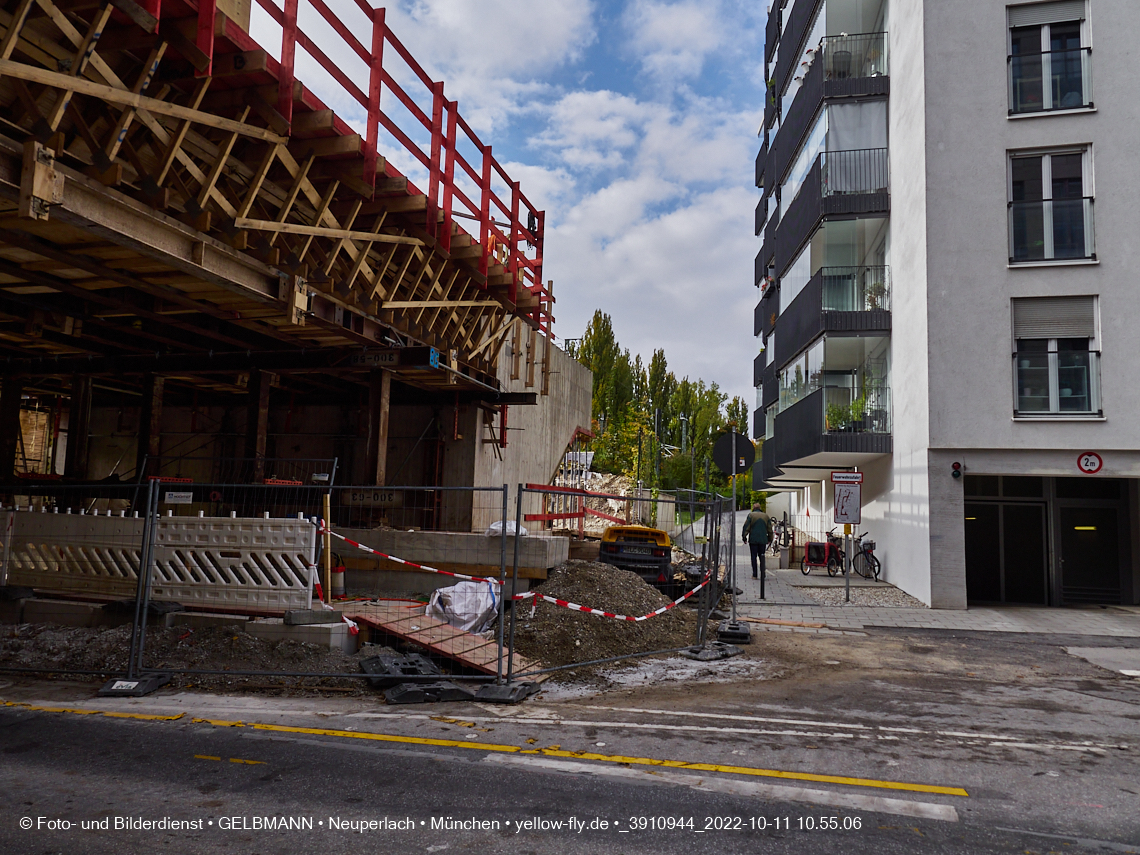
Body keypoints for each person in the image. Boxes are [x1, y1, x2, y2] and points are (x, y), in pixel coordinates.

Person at [742, 503, 772, 598]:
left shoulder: (751, 515)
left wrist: (744, 537)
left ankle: (755, 574)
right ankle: (763, 574)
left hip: (753, 540)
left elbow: (746, 526)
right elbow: (770, 529)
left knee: (753, 557)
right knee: (762, 556)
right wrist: (770, 538)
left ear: (753, 508)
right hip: (763, 540)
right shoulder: (766, 516)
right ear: (760, 508)